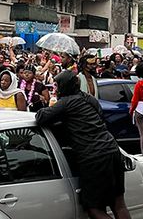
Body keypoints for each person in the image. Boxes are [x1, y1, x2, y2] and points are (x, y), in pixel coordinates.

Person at [36, 70, 131, 219]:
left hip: (93, 157)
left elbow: (41, 117)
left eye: (57, 86)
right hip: (112, 150)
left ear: (64, 86)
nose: (55, 89)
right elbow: (99, 117)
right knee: (118, 204)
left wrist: (53, 103)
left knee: (93, 208)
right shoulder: (89, 99)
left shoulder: (66, 102)